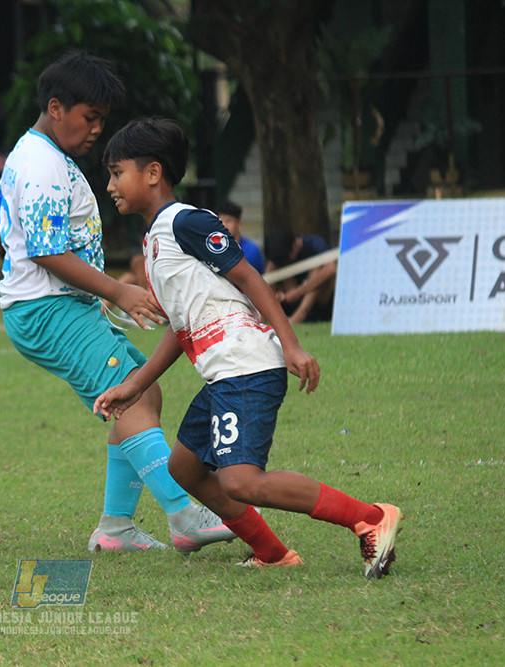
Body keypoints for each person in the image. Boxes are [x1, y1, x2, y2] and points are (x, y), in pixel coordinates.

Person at [0, 51, 235, 553]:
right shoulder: (42, 166)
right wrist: (119, 290)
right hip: (49, 310)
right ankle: (185, 514)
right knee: (133, 396)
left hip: (53, 308)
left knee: (140, 393)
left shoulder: (28, 154)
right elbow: (45, 251)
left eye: (102, 118)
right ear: (56, 108)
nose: (98, 128)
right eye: (90, 116)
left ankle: (115, 528)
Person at [93, 118, 402, 579]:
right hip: (224, 373)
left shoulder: (186, 222)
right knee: (185, 468)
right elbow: (181, 326)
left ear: (153, 173)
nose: (111, 185)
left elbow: (250, 277)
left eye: (118, 173)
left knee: (240, 480)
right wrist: (135, 386)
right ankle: (272, 553)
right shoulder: (155, 242)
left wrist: (292, 345)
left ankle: (370, 518)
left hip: (246, 365)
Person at [264, 228, 336, 324]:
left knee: (318, 270)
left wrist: (298, 292)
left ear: (295, 246)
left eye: (286, 259)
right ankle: (268, 315)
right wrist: (277, 296)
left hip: (318, 300)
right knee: (272, 266)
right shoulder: (280, 258)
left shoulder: (315, 244)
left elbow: (331, 268)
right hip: (290, 297)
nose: (285, 262)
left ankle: (298, 317)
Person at [214, 200, 264, 275]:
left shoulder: (251, 251)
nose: (224, 225)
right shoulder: (212, 248)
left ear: (239, 224)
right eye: (220, 221)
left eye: (228, 221)